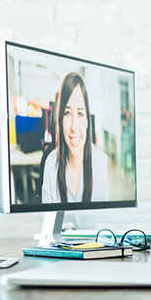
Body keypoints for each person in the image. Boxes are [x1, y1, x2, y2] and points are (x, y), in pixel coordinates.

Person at [42, 72, 110, 203]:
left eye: (80, 113)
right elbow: (47, 219)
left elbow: (102, 218)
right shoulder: (51, 165)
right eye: (67, 113)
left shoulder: (99, 163)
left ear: (87, 121)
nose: (74, 127)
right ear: (60, 121)